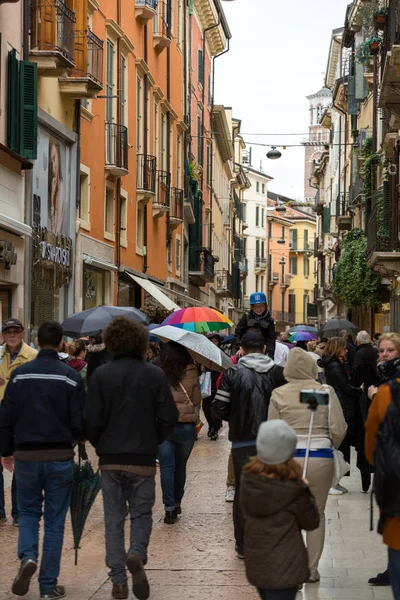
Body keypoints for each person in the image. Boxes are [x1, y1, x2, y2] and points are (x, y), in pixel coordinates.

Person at [85, 317, 178, 600]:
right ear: (141, 342)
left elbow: (90, 420)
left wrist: (101, 445)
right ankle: (137, 552)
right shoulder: (154, 375)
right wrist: (153, 440)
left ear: (111, 342)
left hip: (111, 458)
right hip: (143, 458)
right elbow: (169, 416)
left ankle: (118, 581)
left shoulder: (101, 375)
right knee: (141, 514)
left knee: (113, 519)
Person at [0, 320, 86, 600]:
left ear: (36, 342)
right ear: (62, 343)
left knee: (27, 513)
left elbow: (6, 418)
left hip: (26, 456)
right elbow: (80, 423)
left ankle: (27, 557)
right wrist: (73, 440)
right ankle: (48, 586)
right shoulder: (71, 378)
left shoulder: (20, 375)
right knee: (54, 522)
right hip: (60, 457)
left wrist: (6, 451)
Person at [269, 348, 347, 582]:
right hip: (320, 456)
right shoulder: (323, 391)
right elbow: (338, 428)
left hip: (289, 458)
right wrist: (329, 443)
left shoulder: (279, 393)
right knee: (317, 513)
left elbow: (272, 432)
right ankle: (311, 569)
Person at [212, 331, 286, 558]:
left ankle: (243, 545)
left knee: (243, 492)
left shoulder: (232, 372)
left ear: (241, 350)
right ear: (264, 349)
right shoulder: (278, 373)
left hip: (242, 441)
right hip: (272, 440)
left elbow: (218, 407)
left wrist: (235, 418)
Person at [241, 420, 320, 600]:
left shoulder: (248, 481)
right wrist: (306, 491)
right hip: (287, 566)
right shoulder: (294, 488)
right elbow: (311, 522)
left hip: (258, 566)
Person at [365, 342, 400, 600]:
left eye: (390, 351)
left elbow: (371, 444)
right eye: (381, 351)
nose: (384, 355)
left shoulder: (384, 394)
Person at [157, 341, 201, 525]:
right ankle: (177, 502)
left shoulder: (157, 370)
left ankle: (168, 511)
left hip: (164, 425)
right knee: (180, 466)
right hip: (186, 427)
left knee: (167, 466)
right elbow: (197, 399)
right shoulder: (191, 370)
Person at [0, 318, 37, 527]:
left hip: (22, 415)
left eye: (16, 331)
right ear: (3, 335)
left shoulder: (33, 356)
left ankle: (18, 512)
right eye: (8, 332)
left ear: (22, 334)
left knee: (20, 466)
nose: (12, 335)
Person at [318, 336, 363, 494]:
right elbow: (346, 388)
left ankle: (336, 481)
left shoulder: (335, 364)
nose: (346, 350)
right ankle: (332, 481)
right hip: (342, 405)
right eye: (344, 347)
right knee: (340, 444)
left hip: (342, 404)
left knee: (341, 444)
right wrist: (361, 390)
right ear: (338, 348)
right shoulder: (335, 366)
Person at [351, 331, 380, 493]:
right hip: (377, 401)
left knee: (363, 443)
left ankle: (365, 480)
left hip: (362, 405)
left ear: (357, 342)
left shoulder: (359, 354)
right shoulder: (376, 353)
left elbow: (355, 380)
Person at [235, 292, 276, 358]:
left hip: (262, 351)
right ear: (252, 307)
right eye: (257, 306)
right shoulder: (246, 316)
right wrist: (240, 347)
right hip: (246, 350)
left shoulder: (270, 319)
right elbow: (238, 333)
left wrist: (269, 353)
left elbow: (271, 339)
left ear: (265, 306)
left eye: (261, 306)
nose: (259, 309)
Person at [203, 334, 223, 440]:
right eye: (211, 341)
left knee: (215, 408)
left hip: (217, 385)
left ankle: (215, 428)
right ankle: (211, 425)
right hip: (206, 385)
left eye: (215, 341)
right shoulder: (204, 354)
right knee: (206, 408)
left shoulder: (221, 354)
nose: (213, 343)